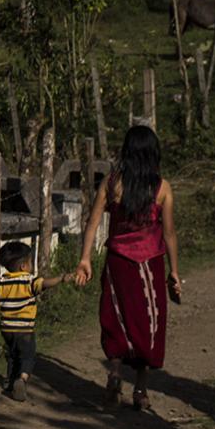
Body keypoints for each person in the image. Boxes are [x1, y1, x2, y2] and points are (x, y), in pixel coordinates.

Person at [75, 124, 182, 412]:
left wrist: (85, 258)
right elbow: (169, 233)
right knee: (148, 325)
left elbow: (93, 222)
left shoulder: (112, 183)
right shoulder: (162, 188)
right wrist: (174, 270)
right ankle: (141, 389)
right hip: (149, 266)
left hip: (118, 263)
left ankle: (115, 373)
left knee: (116, 319)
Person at [0, 240, 70, 402]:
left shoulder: (0, 285)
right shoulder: (29, 281)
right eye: (30, 262)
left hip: (6, 328)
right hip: (24, 329)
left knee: (12, 355)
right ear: (24, 266)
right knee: (27, 355)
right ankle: (22, 379)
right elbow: (44, 283)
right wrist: (61, 278)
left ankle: (9, 382)